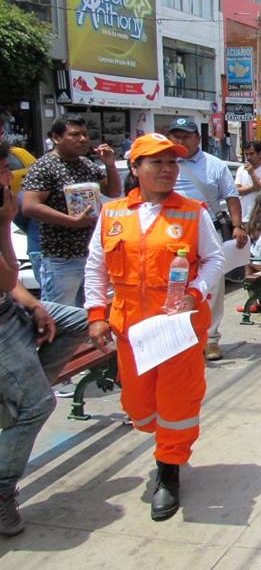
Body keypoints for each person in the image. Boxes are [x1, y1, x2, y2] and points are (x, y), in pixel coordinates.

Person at [85, 133, 225, 522]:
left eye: (172, 162)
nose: (167, 170)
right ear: (135, 169)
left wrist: (195, 293)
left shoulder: (192, 211)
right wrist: (96, 315)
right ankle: (162, 442)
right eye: (156, 163)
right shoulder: (112, 214)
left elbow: (214, 259)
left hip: (178, 327)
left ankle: (169, 470)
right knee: (140, 407)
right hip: (131, 328)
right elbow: (95, 267)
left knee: (177, 403)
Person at [0, 141, 88, 536]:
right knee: (38, 407)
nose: (8, 178)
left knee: (74, 321)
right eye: (4, 170)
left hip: (11, 309)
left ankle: (18, 397)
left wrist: (33, 306)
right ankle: (2, 490)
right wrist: (5, 221)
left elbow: (9, 286)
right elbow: (6, 276)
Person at [167, 117, 247, 362]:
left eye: (185, 136)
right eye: (176, 136)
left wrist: (237, 226)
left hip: (206, 231)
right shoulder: (166, 163)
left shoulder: (215, 165)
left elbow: (231, 196)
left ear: (197, 139)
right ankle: (177, 338)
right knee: (173, 287)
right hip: (170, 234)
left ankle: (211, 339)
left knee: (211, 286)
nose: (180, 141)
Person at [22, 115, 121, 307]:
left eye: (85, 134)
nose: (83, 139)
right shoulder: (44, 166)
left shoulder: (86, 164)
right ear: (57, 138)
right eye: (75, 135)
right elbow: (30, 206)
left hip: (91, 254)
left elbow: (113, 191)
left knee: (93, 311)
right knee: (61, 315)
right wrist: (71, 221)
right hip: (61, 257)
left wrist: (110, 165)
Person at [235, 140, 261, 225]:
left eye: (251, 154)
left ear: (259, 154)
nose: (248, 157)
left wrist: (252, 173)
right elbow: (237, 190)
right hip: (245, 217)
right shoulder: (241, 170)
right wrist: (254, 187)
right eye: (246, 154)